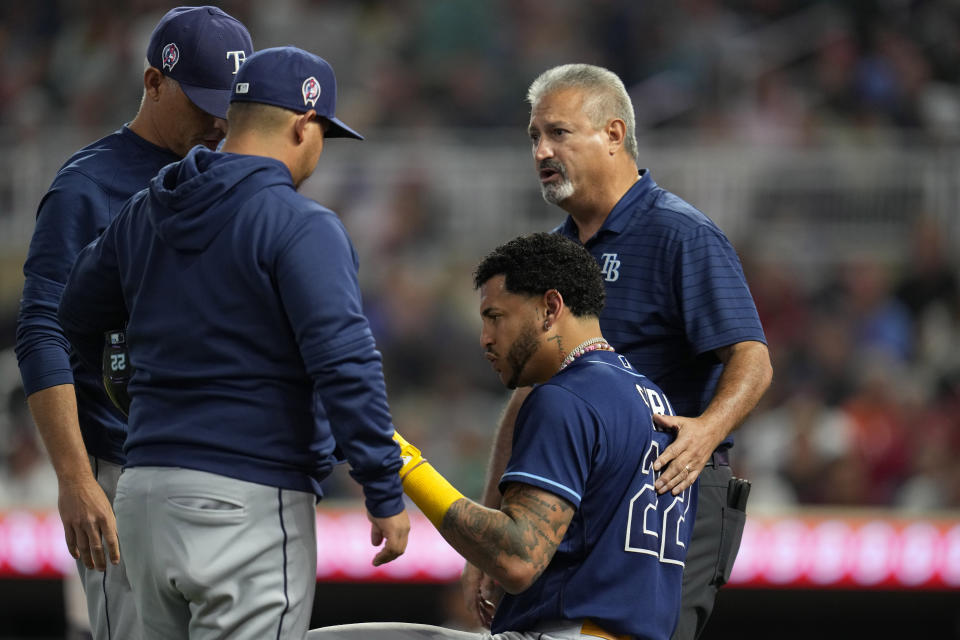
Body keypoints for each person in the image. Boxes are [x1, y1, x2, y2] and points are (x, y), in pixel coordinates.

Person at [56, 46, 410, 640]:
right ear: (303, 123)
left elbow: (76, 313)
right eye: (323, 133)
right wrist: (383, 484)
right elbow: (345, 363)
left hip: (143, 494)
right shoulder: (301, 224)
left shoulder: (147, 209)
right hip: (247, 495)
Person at [462, 64, 773, 640]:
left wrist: (705, 433)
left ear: (612, 133)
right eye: (534, 136)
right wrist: (493, 524)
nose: (541, 151)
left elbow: (752, 358)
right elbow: (531, 391)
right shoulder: (554, 253)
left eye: (558, 132)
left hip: (669, 486)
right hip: (575, 483)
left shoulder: (680, 234)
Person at [309, 232, 697, 640]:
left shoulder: (567, 396)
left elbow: (518, 558)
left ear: (550, 307)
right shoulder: (652, 398)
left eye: (495, 317)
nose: (485, 339)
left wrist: (401, 460)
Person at [14, 7, 253, 639]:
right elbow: (43, 332)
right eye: (201, 102)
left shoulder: (229, 182)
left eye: (227, 104)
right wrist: (74, 478)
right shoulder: (87, 187)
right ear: (153, 83)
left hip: (221, 466)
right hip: (122, 469)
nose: (217, 121)